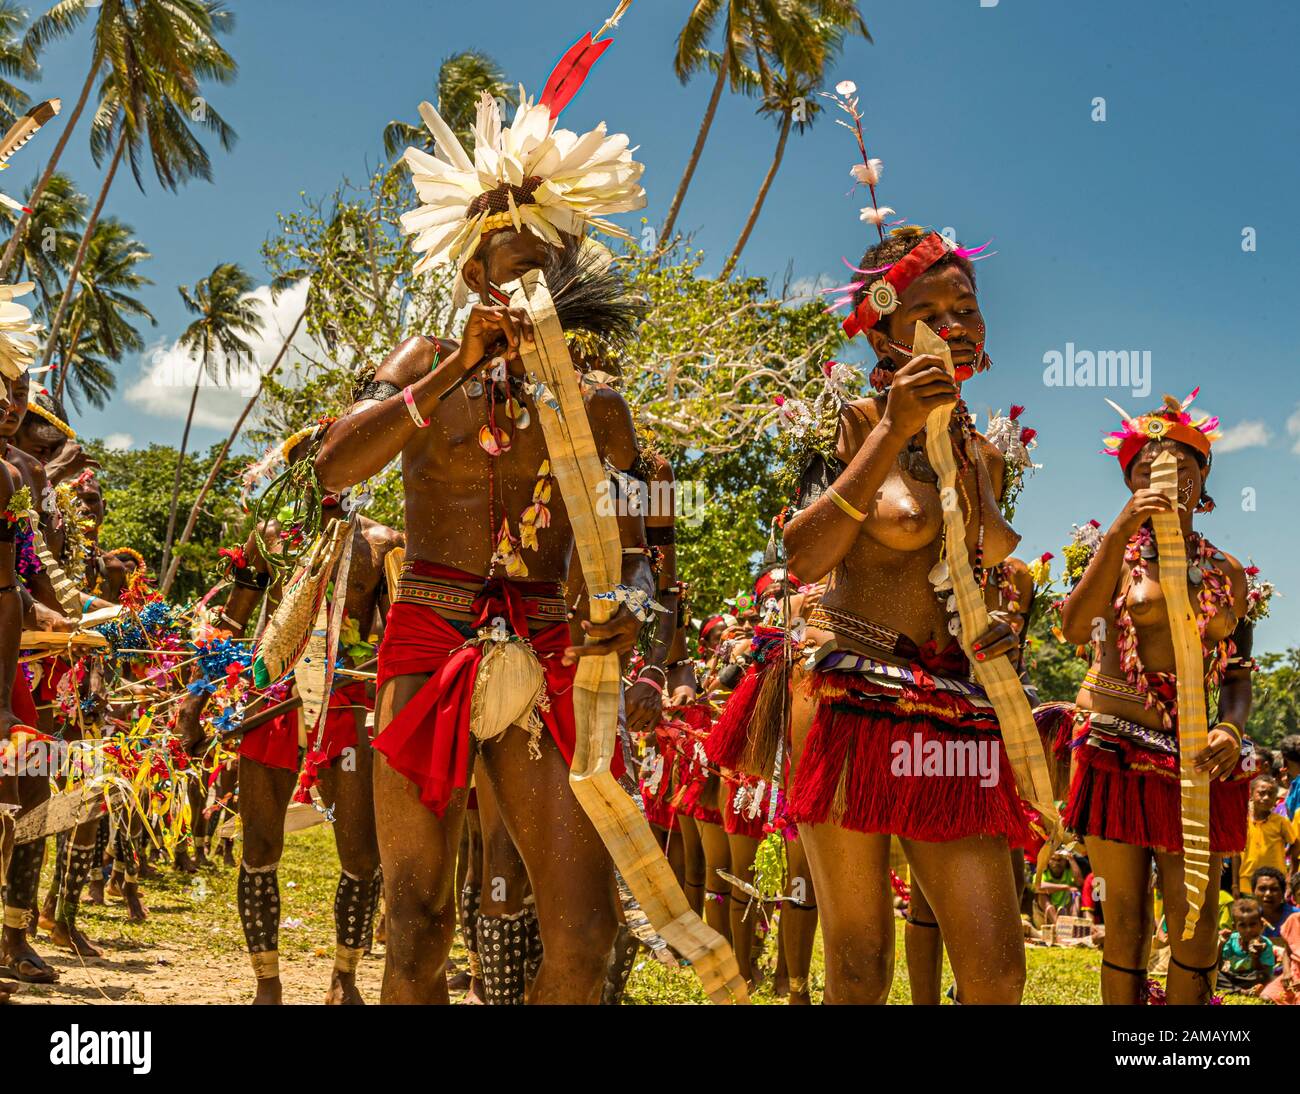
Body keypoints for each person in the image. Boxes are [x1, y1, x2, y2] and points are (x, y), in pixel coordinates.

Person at [313, 27, 653, 1004]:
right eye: (512, 267)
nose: (532, 286)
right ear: (473, 277)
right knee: (412, 920)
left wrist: (629, 603)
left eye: (550, 267)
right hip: (426, 633)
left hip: (545, 645)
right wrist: (460, 365)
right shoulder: (424, 366)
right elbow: (336, 466)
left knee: (583, 936)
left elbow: (634, 554)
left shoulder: (599, 405)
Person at [176, 426, 401, 1004]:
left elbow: (396, 640)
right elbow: (230, 624)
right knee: (259, 850)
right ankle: (267, 984)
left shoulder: (380, 544)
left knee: (360, 853)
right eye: (319, 463)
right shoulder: (269, 540)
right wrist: (197, 695)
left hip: (348, 702)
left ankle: (344, 979)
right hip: (271, 700)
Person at [1054, 389, 1253, 1005]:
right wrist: (1119, 532)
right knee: (1129, 925)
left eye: (1181, 465)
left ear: (1203, 475)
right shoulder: (1113, 556)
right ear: (1128, 480)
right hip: (1116, 746)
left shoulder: (1227, 573)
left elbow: (1240, 673)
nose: (1165, 476)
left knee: (1196, 925)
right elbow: (1071, 627)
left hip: (1197, 756)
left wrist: (1232, 729)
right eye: (1147, 467)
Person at [1236, 776, 1298, 895]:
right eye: (1262, 793)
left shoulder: (1281, 822)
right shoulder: (1243, 821)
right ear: (1251, 794)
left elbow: (1295, 843)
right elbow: (1235, 855)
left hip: (1275, 883)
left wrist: (1289, 874)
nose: (1266, 798)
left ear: (1276, 797)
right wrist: (1235, 884)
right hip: (1247, 882)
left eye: (1271, 794)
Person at [1217, 896, 1276, 994]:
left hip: (1253, 978)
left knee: (1262, 977)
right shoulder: (1231, 940)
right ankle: (1243, 991)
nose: (1248, 930)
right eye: (1242, 925)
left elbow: (1266, 973)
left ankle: (1235, 990)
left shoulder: (1265, 943)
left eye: (1253, 924)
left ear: (1261, 924)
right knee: (1216, 976)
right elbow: (1219, 966)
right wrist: (1221, 944)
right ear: (1234, 926)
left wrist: (1256, 957)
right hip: (1234, 977)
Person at [1250, 866, 1297, 941]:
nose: (1268, 894)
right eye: (1262, 889)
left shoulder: (1296, 916)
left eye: (1274, 889)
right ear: (1253, 892)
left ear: (1283, 893)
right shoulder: (1248, 918)